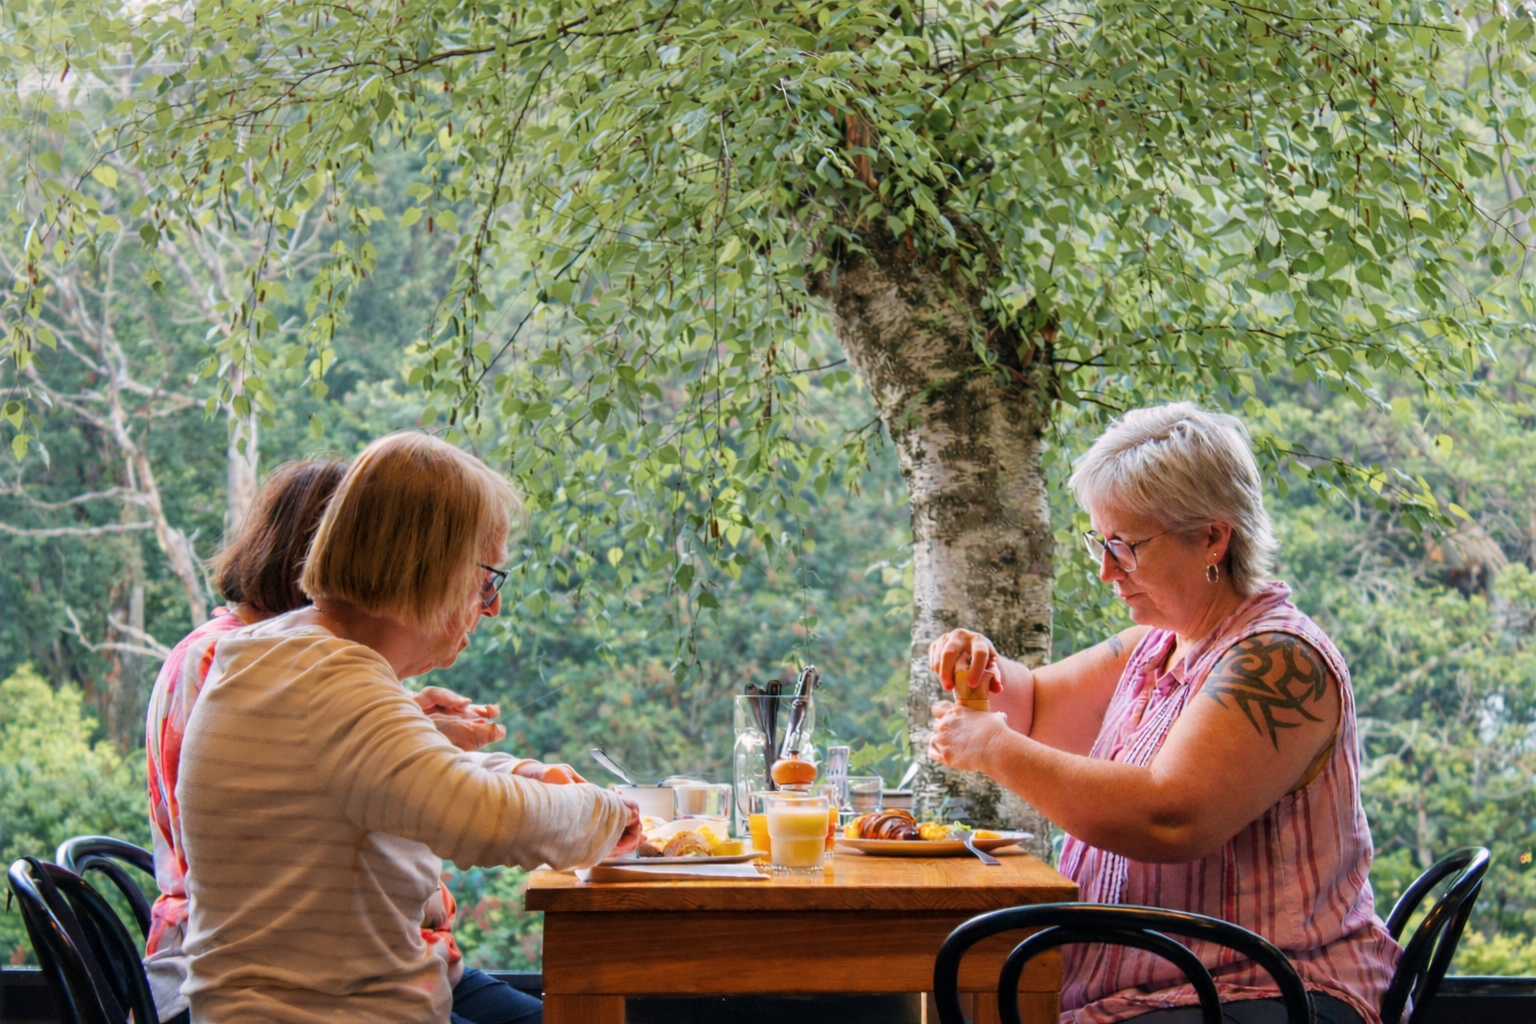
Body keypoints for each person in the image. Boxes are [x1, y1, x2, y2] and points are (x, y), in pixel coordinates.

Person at [927, 403, 1401, 1024]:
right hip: (1167, 995)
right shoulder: (1155, 647)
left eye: (1125, 546)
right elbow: (1035, 706)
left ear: (1212, 537)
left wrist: (991, 746)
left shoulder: (1278, 660)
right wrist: (982, 667)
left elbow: (1170, 819)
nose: (1106, 570)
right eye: (1100, 542)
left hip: (1262, 995)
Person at [174, 433, 639, 1023]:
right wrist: (609, 813)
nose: (492, 606)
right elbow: (479, 816)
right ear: (432, 569)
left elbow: (401, 771)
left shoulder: (286, 653)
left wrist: (523, 773)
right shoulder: (330, 680)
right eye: (487, 579)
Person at [144, 458, 522, 1024]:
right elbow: (270, 838)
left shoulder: (311, 662)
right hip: (273, 982)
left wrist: (412, 731)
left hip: (398, 960)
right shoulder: (229, 659)